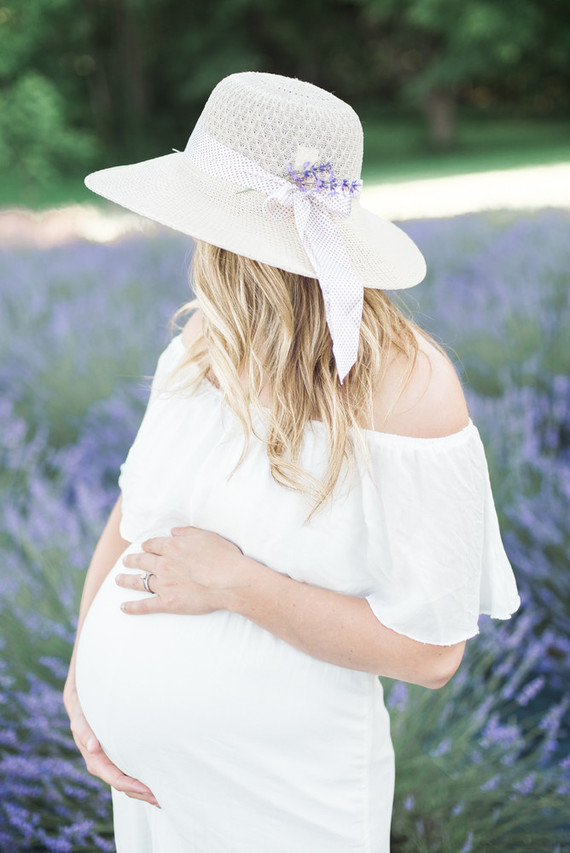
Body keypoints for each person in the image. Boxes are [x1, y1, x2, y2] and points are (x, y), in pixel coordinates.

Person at [63, 72, 521, 852]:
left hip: (284, 796)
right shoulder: (200, 344)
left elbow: (433, 653)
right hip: (154, 792)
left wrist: (238, 584)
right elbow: (135, 519)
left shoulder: (409, 389)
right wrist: (82, 676)